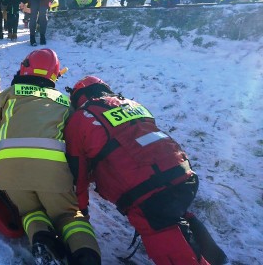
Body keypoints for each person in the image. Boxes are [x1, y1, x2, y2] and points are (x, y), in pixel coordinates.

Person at [64, 76, 227, 265]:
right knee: (175, 212)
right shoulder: (133, 104)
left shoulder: (80, 118)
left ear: (78, 98)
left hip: (145, 191)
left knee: (162, 230)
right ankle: (217, 258)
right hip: (182, 172)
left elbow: (78, 173)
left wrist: (81, 210)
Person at [0, 49, 101, 264]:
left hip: (10, 173)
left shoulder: (7, 94)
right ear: (54, 74)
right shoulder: (65, 102)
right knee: (69, 216)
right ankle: (86, 256)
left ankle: (42, 242)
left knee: (30, 211)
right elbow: (75, 147)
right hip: (52, 174)